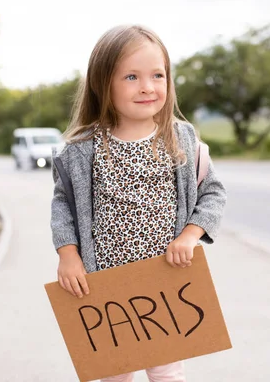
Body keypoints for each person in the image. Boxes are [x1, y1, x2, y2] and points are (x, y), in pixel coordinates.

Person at [50, 24, 227, 382]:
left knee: (167, 374)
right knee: (115, 375)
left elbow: (213, 193)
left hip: (164, 285)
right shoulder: (83, 149)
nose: (148, 86)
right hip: (107, 287)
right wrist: (68, 255)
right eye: (131, 76)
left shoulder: (180, 139)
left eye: (157, 75)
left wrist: (190, 236)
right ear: (103, 84)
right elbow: (63, 207)